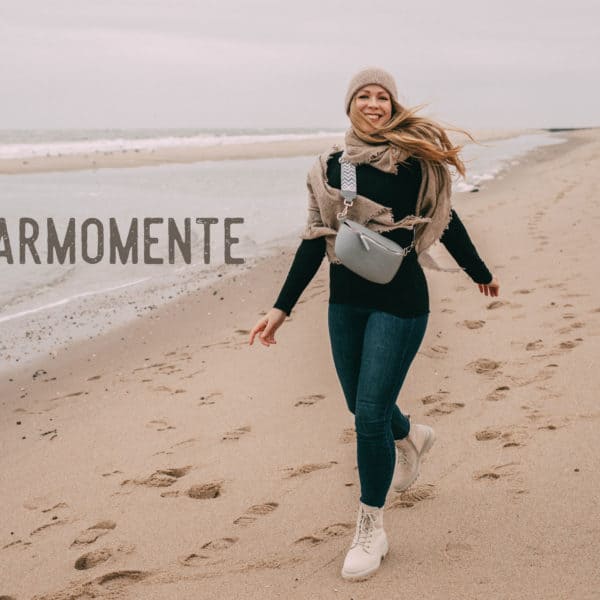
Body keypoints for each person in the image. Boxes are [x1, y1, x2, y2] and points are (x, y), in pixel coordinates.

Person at [248, 67, 500, 581]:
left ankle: (371, 528)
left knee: (367, 416)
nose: (372, 103)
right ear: (349, 106)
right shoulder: (331, 168)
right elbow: (313, 238)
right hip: (345, 303)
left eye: (381, 96)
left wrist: (479, 272)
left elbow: (445, 221)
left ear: (393, 105)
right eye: (362, 95)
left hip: (402, 301)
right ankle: (410, 437)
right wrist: (281, 308)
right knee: (365, 408)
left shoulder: (416, 165)